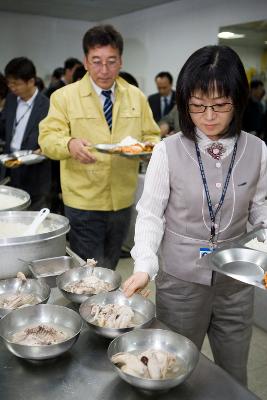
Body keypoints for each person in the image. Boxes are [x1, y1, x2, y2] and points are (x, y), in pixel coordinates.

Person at [123, 45, 267, 386]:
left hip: (236, 283)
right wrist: (144, 264)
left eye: (220, 105)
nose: (209, 116)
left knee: (234, 373)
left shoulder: (257, 149)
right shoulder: (167, 150)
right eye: (198, 106)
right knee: (175, 369)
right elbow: (150, 214)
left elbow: (261, 207)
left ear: (239, 100)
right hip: (181, 282)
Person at [39, 24, 160, 269]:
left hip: (122, 199)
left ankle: (105, 305)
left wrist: (147, 148)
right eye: (96, 61)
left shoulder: (136, 96)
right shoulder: (64, 97)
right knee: (89, 269)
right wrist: (69, 143)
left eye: (111, 62)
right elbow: (48, 139)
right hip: (84, 200)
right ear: (85, 61)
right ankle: (89, 306)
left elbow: (153, 136)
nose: (104, 70)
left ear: (121, 61)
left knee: (111, 264)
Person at [0, 57, 51, 210]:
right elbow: (4, 128)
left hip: (34, 170)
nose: (12, 87)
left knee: (33, 215)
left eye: (16, 83)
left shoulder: (47, 105)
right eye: (9, 83)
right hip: (10, 166)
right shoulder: (10, 100)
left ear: (31, 81)